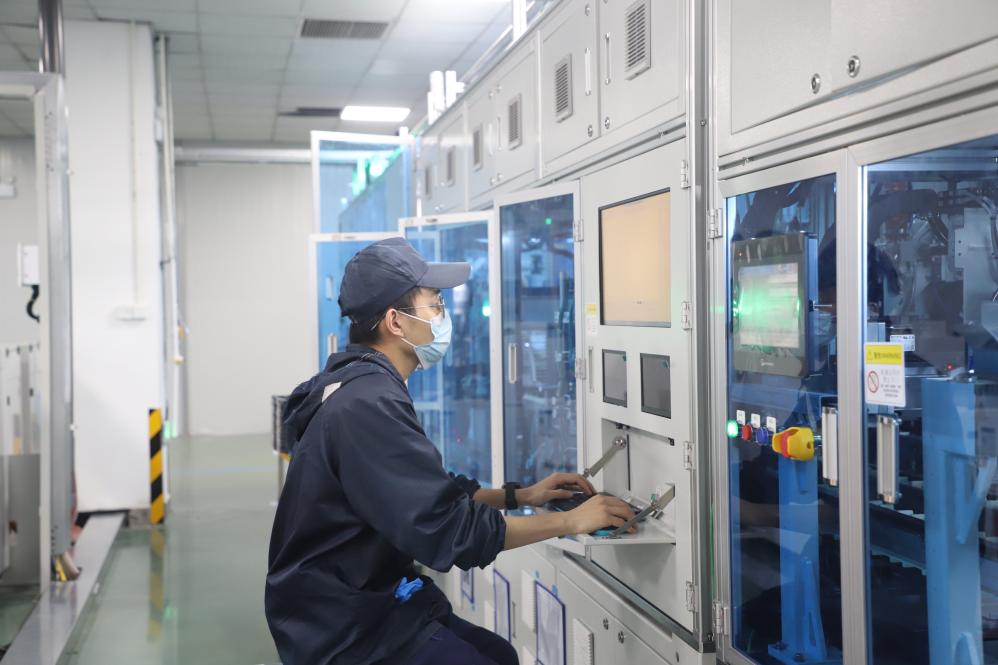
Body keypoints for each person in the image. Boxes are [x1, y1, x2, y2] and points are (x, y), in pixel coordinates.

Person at [265, 238, 635, 665]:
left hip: (362, 595)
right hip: (344, 625)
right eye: (435, 305)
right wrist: (570, 520)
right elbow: (449, 532)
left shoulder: (361, 384)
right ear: (396, 322)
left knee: (499, 654)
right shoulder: (367, 404)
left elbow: (422, 491)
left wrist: (521, 496)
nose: (444, 317)